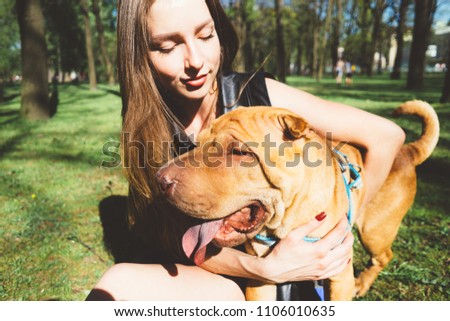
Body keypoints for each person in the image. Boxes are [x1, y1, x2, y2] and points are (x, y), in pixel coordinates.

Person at [86, 0, 405, 301]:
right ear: (140, 55)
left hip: (279, 280)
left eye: (205, 34)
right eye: (168, 46)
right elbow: (173, 243)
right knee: (117, 285)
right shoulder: (146, 127)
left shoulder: (260, 98)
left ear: (219, 31)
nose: (195, 61)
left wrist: (345, 217)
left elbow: (387, 136)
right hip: (221, 276)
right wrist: (267, 268)